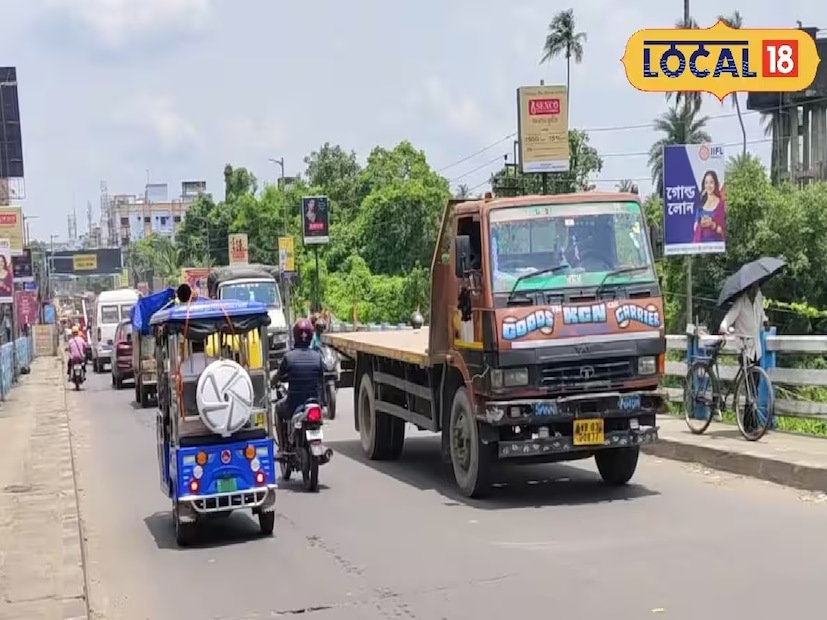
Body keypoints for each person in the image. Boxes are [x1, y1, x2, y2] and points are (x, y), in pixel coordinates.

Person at [274, 319, 324, 454]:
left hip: (293, 405)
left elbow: (277, 377)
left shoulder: (288, 357)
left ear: (295, 335)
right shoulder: (317, 356)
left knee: (278, 409)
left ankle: (282, 447)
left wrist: (272, 384)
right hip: (314, 403)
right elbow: (321, 379)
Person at [719, 283, 767, 364]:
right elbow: (730, 316)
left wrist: (765, 322)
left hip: (756, 347)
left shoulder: (758, 300)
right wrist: (723, 327)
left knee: (756, 374)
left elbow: (762, 315)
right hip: (744, 346)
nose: (754, 292)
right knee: (747, 374)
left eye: (756, 289)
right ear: (748, 289)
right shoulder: (741, 302)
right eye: (753, 289)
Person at [693, 170, 726, 244]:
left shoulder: (720, 204)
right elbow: (695, 227)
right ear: (704, 185)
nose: (708, 185)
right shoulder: (700, 204)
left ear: (715, 184)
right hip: (700, 244)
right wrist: (700, 224)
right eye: (706, 183)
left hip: (715, 245)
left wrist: (712, 225)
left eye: (711, 182)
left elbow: (722, 230)